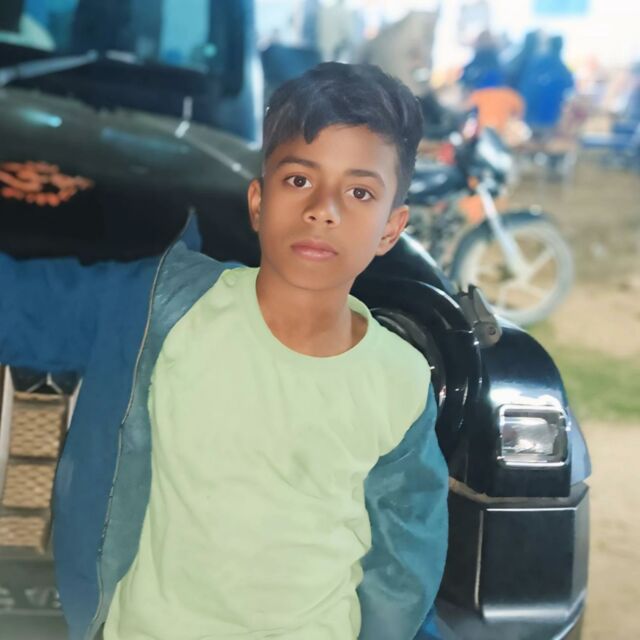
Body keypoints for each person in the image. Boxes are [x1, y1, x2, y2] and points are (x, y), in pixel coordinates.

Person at [0, 62, 449, 640]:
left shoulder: (400, 378)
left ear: (391, 228)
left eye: (359, 192)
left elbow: (405, 553)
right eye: (299, 180)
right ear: (258, 202)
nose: (324, 208)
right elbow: (26, 306)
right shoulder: (165, 309)